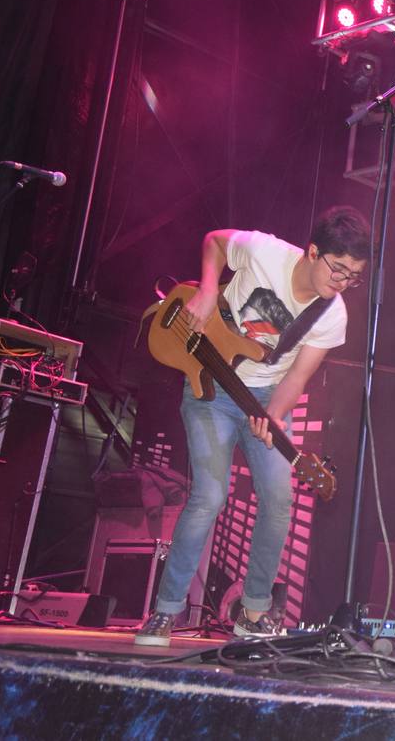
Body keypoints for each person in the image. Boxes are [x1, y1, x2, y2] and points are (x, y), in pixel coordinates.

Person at [135, 206, 371, 646]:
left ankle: (254, 613)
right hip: (208, 389)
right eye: (338, 269)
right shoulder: (266, 253)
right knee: (210, 495)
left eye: (352, 276)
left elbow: (297, 377)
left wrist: (273, 416)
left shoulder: (332, 315)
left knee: (279, 500)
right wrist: (207, 290)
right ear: (313, 251)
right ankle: (164, 612)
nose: (341, 282)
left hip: (261, 396)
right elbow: (214, 240)